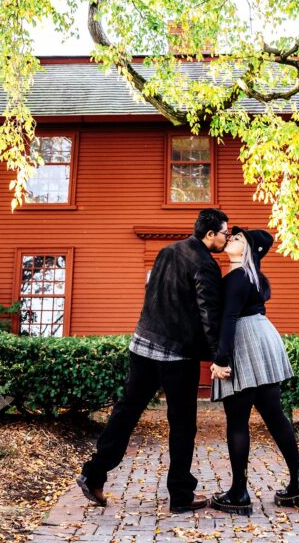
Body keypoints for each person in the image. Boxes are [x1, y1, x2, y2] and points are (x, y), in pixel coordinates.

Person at [77, 208, 229, 513]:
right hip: (175, 355)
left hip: (142, 343)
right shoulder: (205, 265)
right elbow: (209, 314)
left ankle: (93, 474)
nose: (227, 237)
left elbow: (152, 294)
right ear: (210, 234)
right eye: (225, 232)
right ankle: (181, 494)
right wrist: (218, 357)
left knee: (126, 412)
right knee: (183, 424)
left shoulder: (167, 251)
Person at [208, 227, 299, 516]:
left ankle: (239, 493)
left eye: (238, 239)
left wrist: (221, 359)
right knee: (275, 416)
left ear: (250, 251)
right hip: (263, 338)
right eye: (232, 236)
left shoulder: (236, 277)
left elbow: (229, 319)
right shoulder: (252, 278)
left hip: (243, 342)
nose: (231, 239)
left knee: (238, 421)